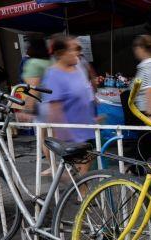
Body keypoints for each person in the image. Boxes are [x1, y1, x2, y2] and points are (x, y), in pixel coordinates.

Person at [40, 34, 97, 177]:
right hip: (72, 133)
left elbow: (84, 94)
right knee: (81, 173)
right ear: (61, 53)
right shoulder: (53, 74)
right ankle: (79, 193)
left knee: (84, 170)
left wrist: (93, 117)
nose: (79, 52)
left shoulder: (77, 68)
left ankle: (78, 190)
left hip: (86, 128)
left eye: (79, 48)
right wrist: (66, 137)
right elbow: (54, 109)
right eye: (75, 49)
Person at [20, 37, 53, 175]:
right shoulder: (51, 61)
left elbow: (33, 89)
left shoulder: (33, 63)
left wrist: (28, 110)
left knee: (43, 138)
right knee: (57, 136)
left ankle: (54, 167)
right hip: (56, 104)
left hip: (43, 106)